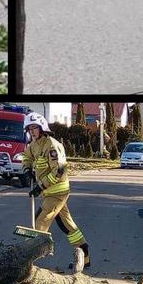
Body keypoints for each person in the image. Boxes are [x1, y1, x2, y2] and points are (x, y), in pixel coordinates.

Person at [20, 112, 90, 272]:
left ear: (42, 128)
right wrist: (26, 169)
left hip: (57, 192)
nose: (31, 131)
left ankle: (28, 262)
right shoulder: (34, 145)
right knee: (67, 225)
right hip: (48, 192)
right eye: (29, 128)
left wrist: (40, 187)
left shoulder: (51, 145)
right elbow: (27, 157)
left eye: (34, 128)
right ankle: (84, 256)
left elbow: (59, 171)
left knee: (39, 221)